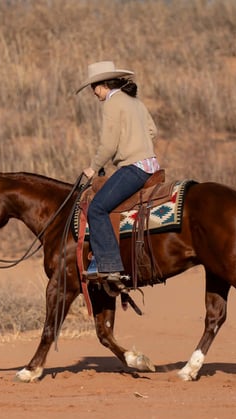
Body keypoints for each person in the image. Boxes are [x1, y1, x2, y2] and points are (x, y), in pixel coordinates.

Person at [76, 61, 159, 282]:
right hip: (151, 165)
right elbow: (152, 130)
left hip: (134, 167)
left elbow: (108, 145)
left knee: (97, 209)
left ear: (103, 85)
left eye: (94, 87)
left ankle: (109, 265)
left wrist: (93, 167)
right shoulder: (135, 101)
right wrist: (138, 142)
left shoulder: (112, 104)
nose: (93, 92)